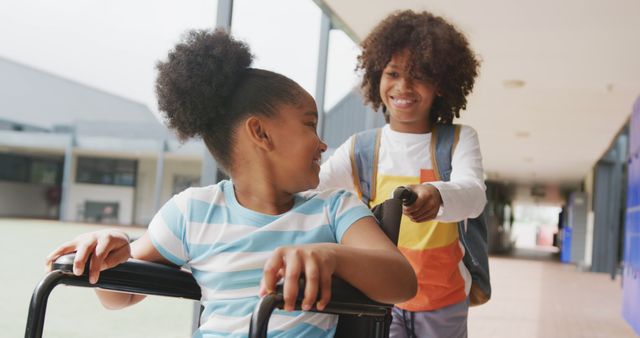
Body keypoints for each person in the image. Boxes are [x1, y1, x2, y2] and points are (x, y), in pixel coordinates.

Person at [45, 29, 417, 338]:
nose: (322, 142)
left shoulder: (335, 209)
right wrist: (103, 252)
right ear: (260, 132)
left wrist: (331, 256)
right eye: (309, 124)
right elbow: (120, 297)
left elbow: (402, 282)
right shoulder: (193, 211)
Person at [318, 10, 485, 338]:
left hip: (443, 299)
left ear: (441, 84)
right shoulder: (360, 149)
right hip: (383, 297)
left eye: (418, 75)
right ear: (376, 76)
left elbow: (474, 195)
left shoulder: (458, 140)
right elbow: (313, 191)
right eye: (392, 73)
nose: (403, 86)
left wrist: (436, 195)